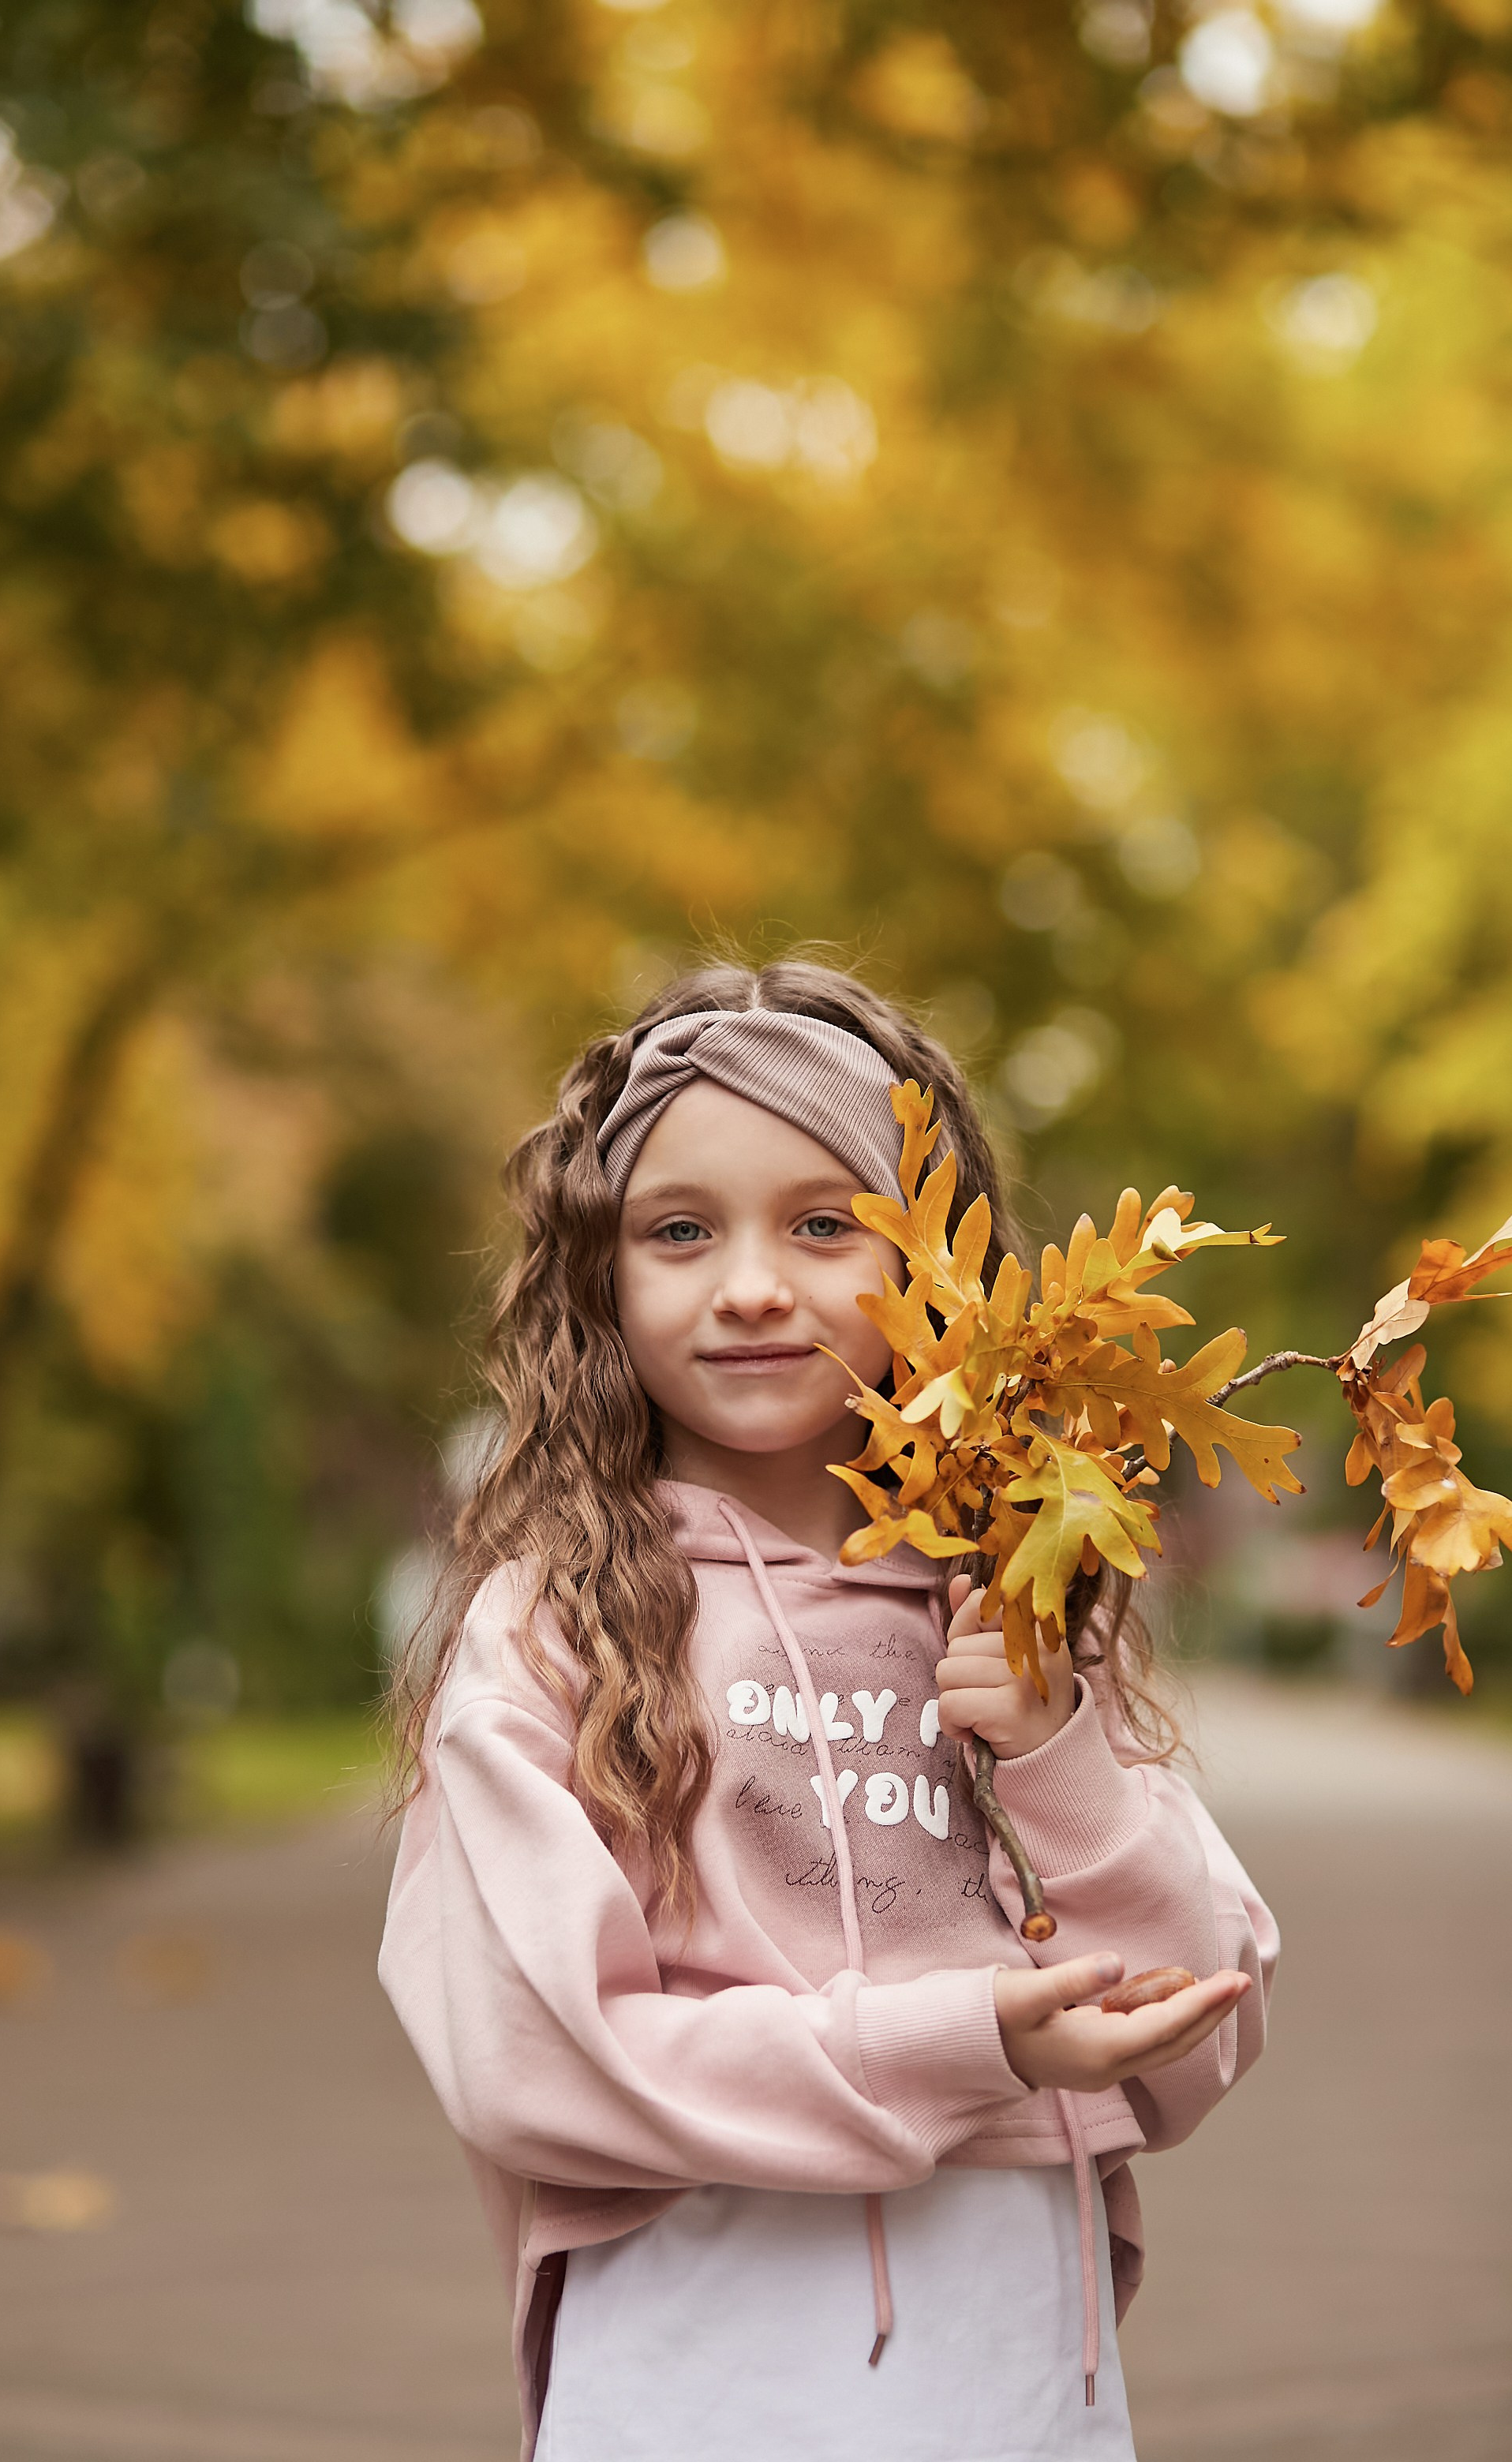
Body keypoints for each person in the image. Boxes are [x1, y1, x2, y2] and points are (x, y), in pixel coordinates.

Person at [380, 958, 1276, 2462]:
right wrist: (958, 2039)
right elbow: (531, 2053)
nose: (751, 1285)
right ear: (599, 1275)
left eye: (823, 1223)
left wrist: (1057, 1754)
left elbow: (1196, 2023)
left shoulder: (1014, 1593)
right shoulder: (553, 1630)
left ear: (934, 1262)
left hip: (1017, 2385)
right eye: (680, 1230)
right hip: (697, 2375)